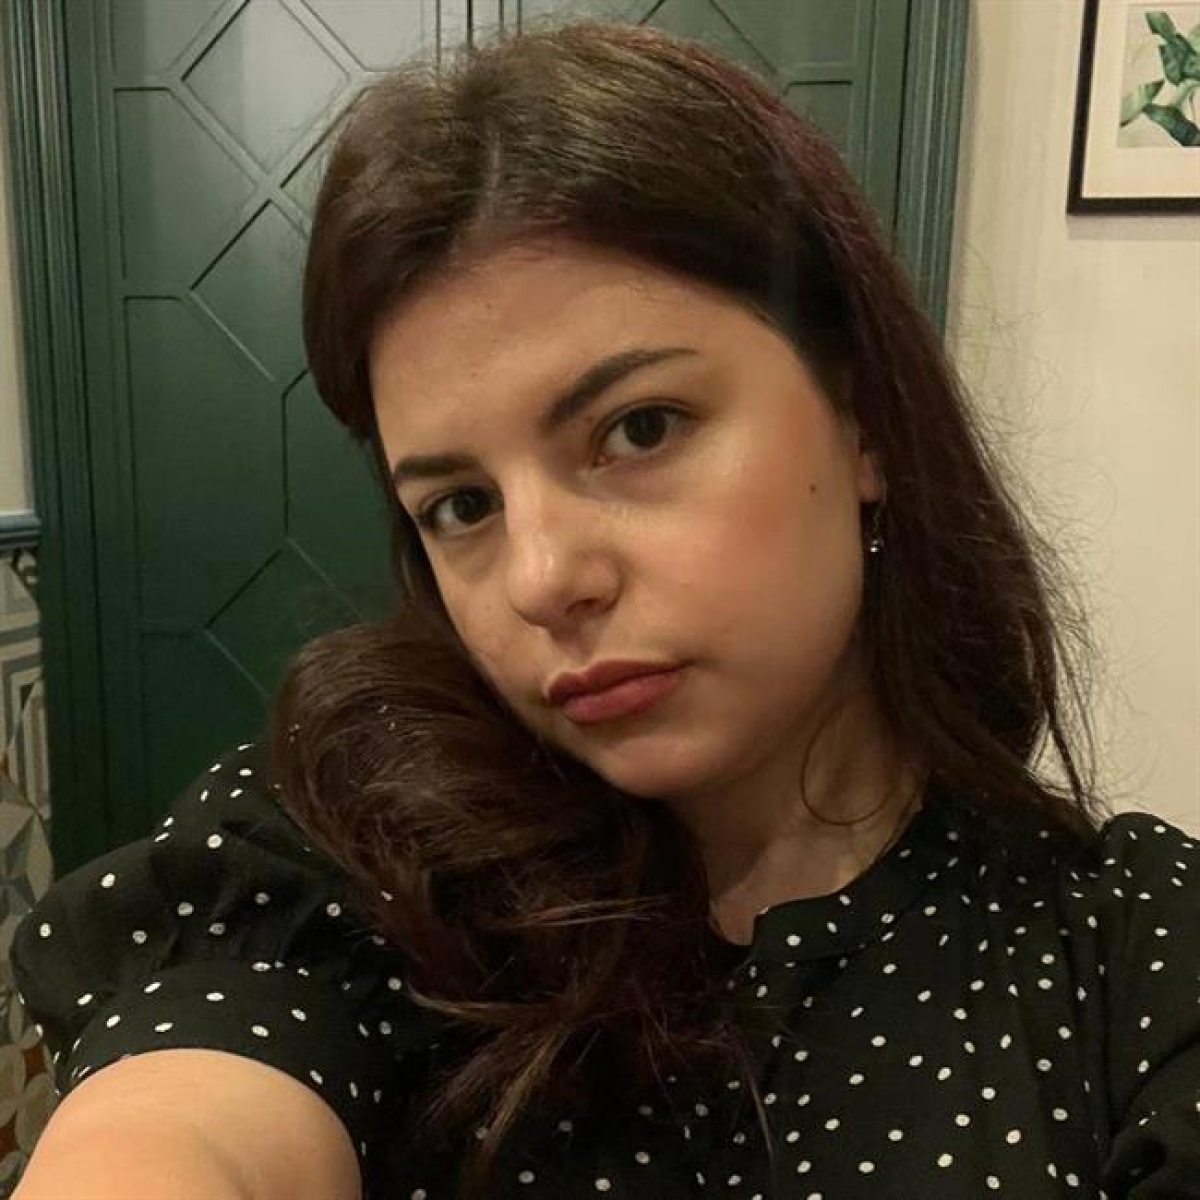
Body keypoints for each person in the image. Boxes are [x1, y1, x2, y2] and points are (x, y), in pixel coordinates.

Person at [11, 18, 1200, 1200]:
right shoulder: (360, 854)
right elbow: (187, 1120)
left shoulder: (1138, 955)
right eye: (462, 505)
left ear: (863, 420)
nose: (540, 579)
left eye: (639, 430)